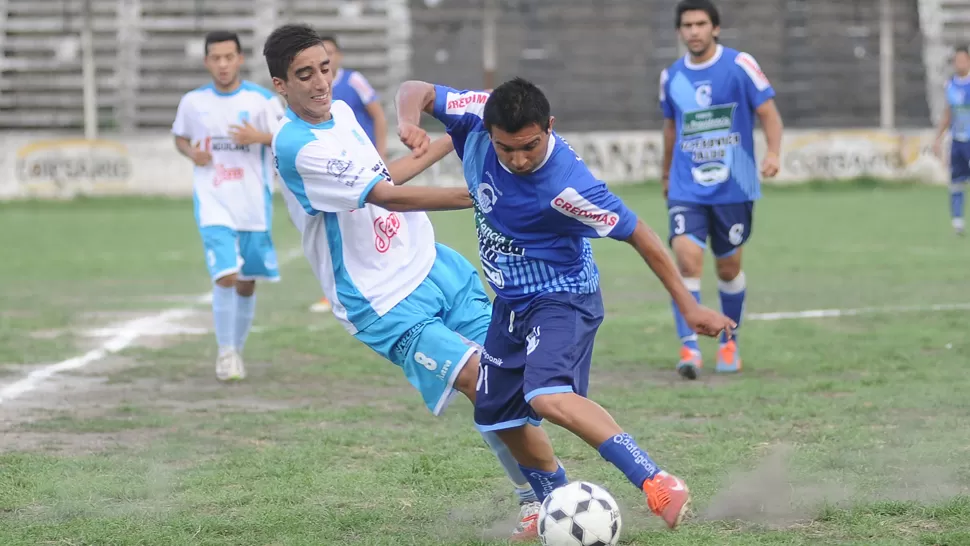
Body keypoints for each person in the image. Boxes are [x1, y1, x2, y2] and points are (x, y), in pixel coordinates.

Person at [394, 76, 736, 532]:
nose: (517, 159)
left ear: (549, 127)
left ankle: (657, 481)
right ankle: (551, 505)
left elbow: (641, 235)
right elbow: (417, 88)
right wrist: (407, 119)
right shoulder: (475, 115)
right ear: (486, 130)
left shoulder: (569, 187)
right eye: (505, 148)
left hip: (564, 296)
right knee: (497, 414)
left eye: (530, 146)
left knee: (547, 395)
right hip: (511, 304)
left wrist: (690, 307)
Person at [262, 23, 548, 541]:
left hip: (432, 264)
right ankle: (544, 501)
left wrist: (456, 134)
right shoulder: (295, 145)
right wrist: (478, 195)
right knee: (482, 381)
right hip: (383, 301)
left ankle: (545, 496)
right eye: (304, 75)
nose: (321, 82)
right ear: (280, 85)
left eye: (325, 68)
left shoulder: (344, 115)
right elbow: (385, 197)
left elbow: (386, 176)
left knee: (508, 381)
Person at [660, 0, 784, 379]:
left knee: (728, 268)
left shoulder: (739, 65)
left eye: (700, 24)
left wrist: (774, 153)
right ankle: (689, 347)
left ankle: (729, 339)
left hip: (735, 185)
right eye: (687, 25)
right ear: (680, 31)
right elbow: (670, 128)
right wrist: (665, 174)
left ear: (715, 28)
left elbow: (769, 113)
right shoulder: (672, 77)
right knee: (685, 257)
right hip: (687, 186)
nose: (694, 31)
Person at [172, 30, 285, 381]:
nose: (222, 64)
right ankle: (226, 353)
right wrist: (192, 152)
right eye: (215, 58)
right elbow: (180, 136)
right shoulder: (193, 102)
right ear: (207, 62)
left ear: (239, 59)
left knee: (247, 281)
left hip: (252, 203)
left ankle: (235, 349)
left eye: (228, 57)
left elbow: (287, 138)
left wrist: (259, 137)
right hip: (213, 200)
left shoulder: (261, 101)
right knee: (225, 275)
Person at [308, 35, 390, 313]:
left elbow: (378, 115)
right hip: (336, 171)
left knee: (370, 228)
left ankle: (377, 283)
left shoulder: (353, 81)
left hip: (364, 167)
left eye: (330, 54)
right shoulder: (312, 90)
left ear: (339, 56)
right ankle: (337, 290)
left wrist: (381, 153)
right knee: (335, 231)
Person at [933, 45, 970, 236]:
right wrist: (938, 138)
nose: (959, 63)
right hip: (957, 140)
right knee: (956, 181)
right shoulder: (951, 85)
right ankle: (957, 223)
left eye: (963, 60)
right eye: (957, 60)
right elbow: (948, 113)